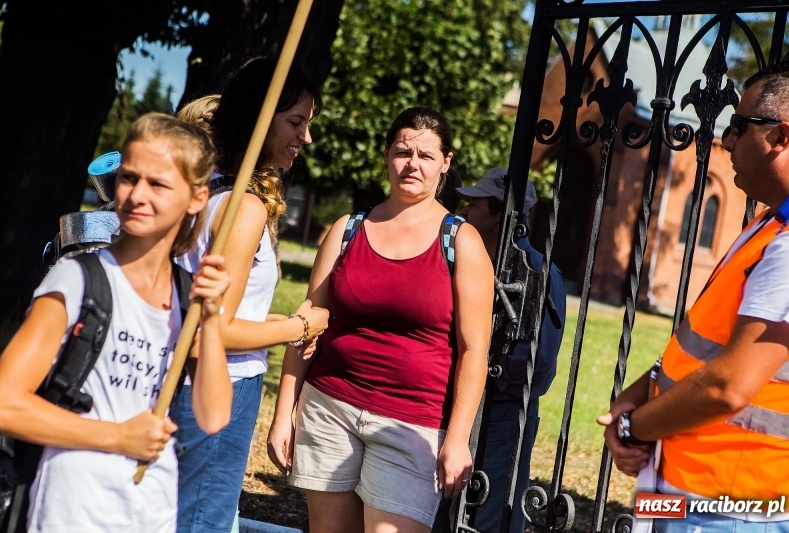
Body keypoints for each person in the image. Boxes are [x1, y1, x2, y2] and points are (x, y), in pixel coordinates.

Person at [0, 112, 233, 532]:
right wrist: (117, 437)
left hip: (152, 509)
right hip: (72, 509)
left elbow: (213, 416)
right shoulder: (77, 278)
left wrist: (212, 318)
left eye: (158, 184)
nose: (136, 195)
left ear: (197, 197)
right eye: (129, 178)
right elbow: (6, 403)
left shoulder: (187, 295)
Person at [267, 106, 495, 532]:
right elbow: (308, 323)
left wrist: (457, 438)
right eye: (403, 152)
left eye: (426, 155)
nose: (412, 164)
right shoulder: (347, 229)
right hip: (329, 406)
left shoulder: (461, 241)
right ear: (387, 155)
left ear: (445, 163)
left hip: (412, 423)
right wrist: (284, 413)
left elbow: (474, 351)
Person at [597, 61, 789, 532]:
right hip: (685, 496)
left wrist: (632, 427)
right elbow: (702, 345)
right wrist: (636, 395)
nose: (727, 141)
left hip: (735, 511)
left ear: (780, 137)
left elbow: (728, 386)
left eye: (739, 126)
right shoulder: (768, 225)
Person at [172, 56, 329, 533]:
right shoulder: (244, 207)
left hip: (180, 382)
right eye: (295, 122)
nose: (306, 137)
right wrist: (299, 326)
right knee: (203, 521)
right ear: (259, 119)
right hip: (221, 386)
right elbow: (212, 333)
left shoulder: (201, 190)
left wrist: (272, 320)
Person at [432, 167, 567, 533]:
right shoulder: (464, 260)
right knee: (440, 509)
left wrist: (490, 378)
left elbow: (541, 364)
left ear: (501, 214)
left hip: (504, 413)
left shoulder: (538, 272)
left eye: (476, 205)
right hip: (452, 406)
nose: (465, 212)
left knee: (491, 515)